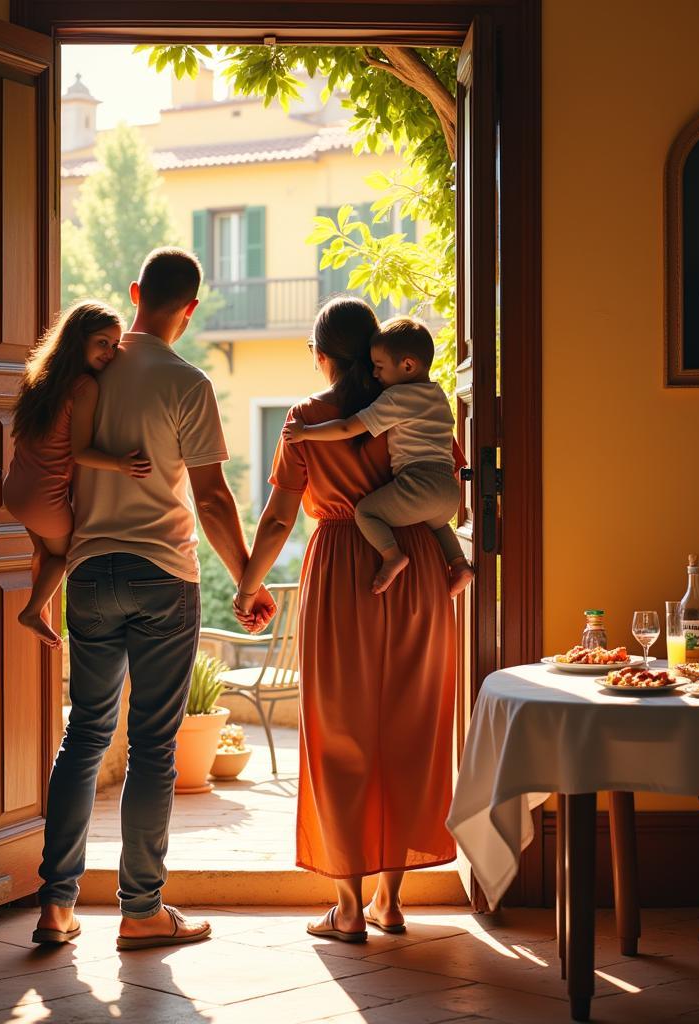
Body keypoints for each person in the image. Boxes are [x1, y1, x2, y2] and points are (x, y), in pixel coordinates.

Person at [33, 248, 275, 951]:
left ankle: (56, 905)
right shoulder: (187, 383)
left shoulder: (89, 371)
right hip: (163, 574)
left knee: (83, 736)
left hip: (88, 570)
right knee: (153, 747)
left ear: (136, 292)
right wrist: (247, 581)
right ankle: (141, 912)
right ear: (192, 309)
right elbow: (212, 499)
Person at [234, 296, 457, 943]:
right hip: (414, 566)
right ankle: (392, 901)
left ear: (324, 357)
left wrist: (248, 586)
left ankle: (350, 908)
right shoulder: (416, 402)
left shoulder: (308, 420)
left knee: (340, 733)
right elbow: (448, 479)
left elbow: (278, 519)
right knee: (411, 727)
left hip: (340, 572)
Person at [283, 315, 472, 597]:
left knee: (366, 511)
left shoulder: (395, 399)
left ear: (407, 365)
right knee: (438, 523)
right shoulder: (437, 395)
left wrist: (306, 432)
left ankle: (393, 556)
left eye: (380, 367)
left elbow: (348, 427)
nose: (374, 374)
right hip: (447, 490)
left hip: (419, 482)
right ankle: (459, 563)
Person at [5, 301, 151, 648]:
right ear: (78, 339)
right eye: (102, 342)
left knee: (43, 551)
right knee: (64, 554)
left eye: (115, 346)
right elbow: (81, 452)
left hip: (14, 491)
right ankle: (32, 611)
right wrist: (122, 464)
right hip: (42, 499)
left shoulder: (40, 376)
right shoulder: (84, 387)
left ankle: (39, 610)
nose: (110, 353)